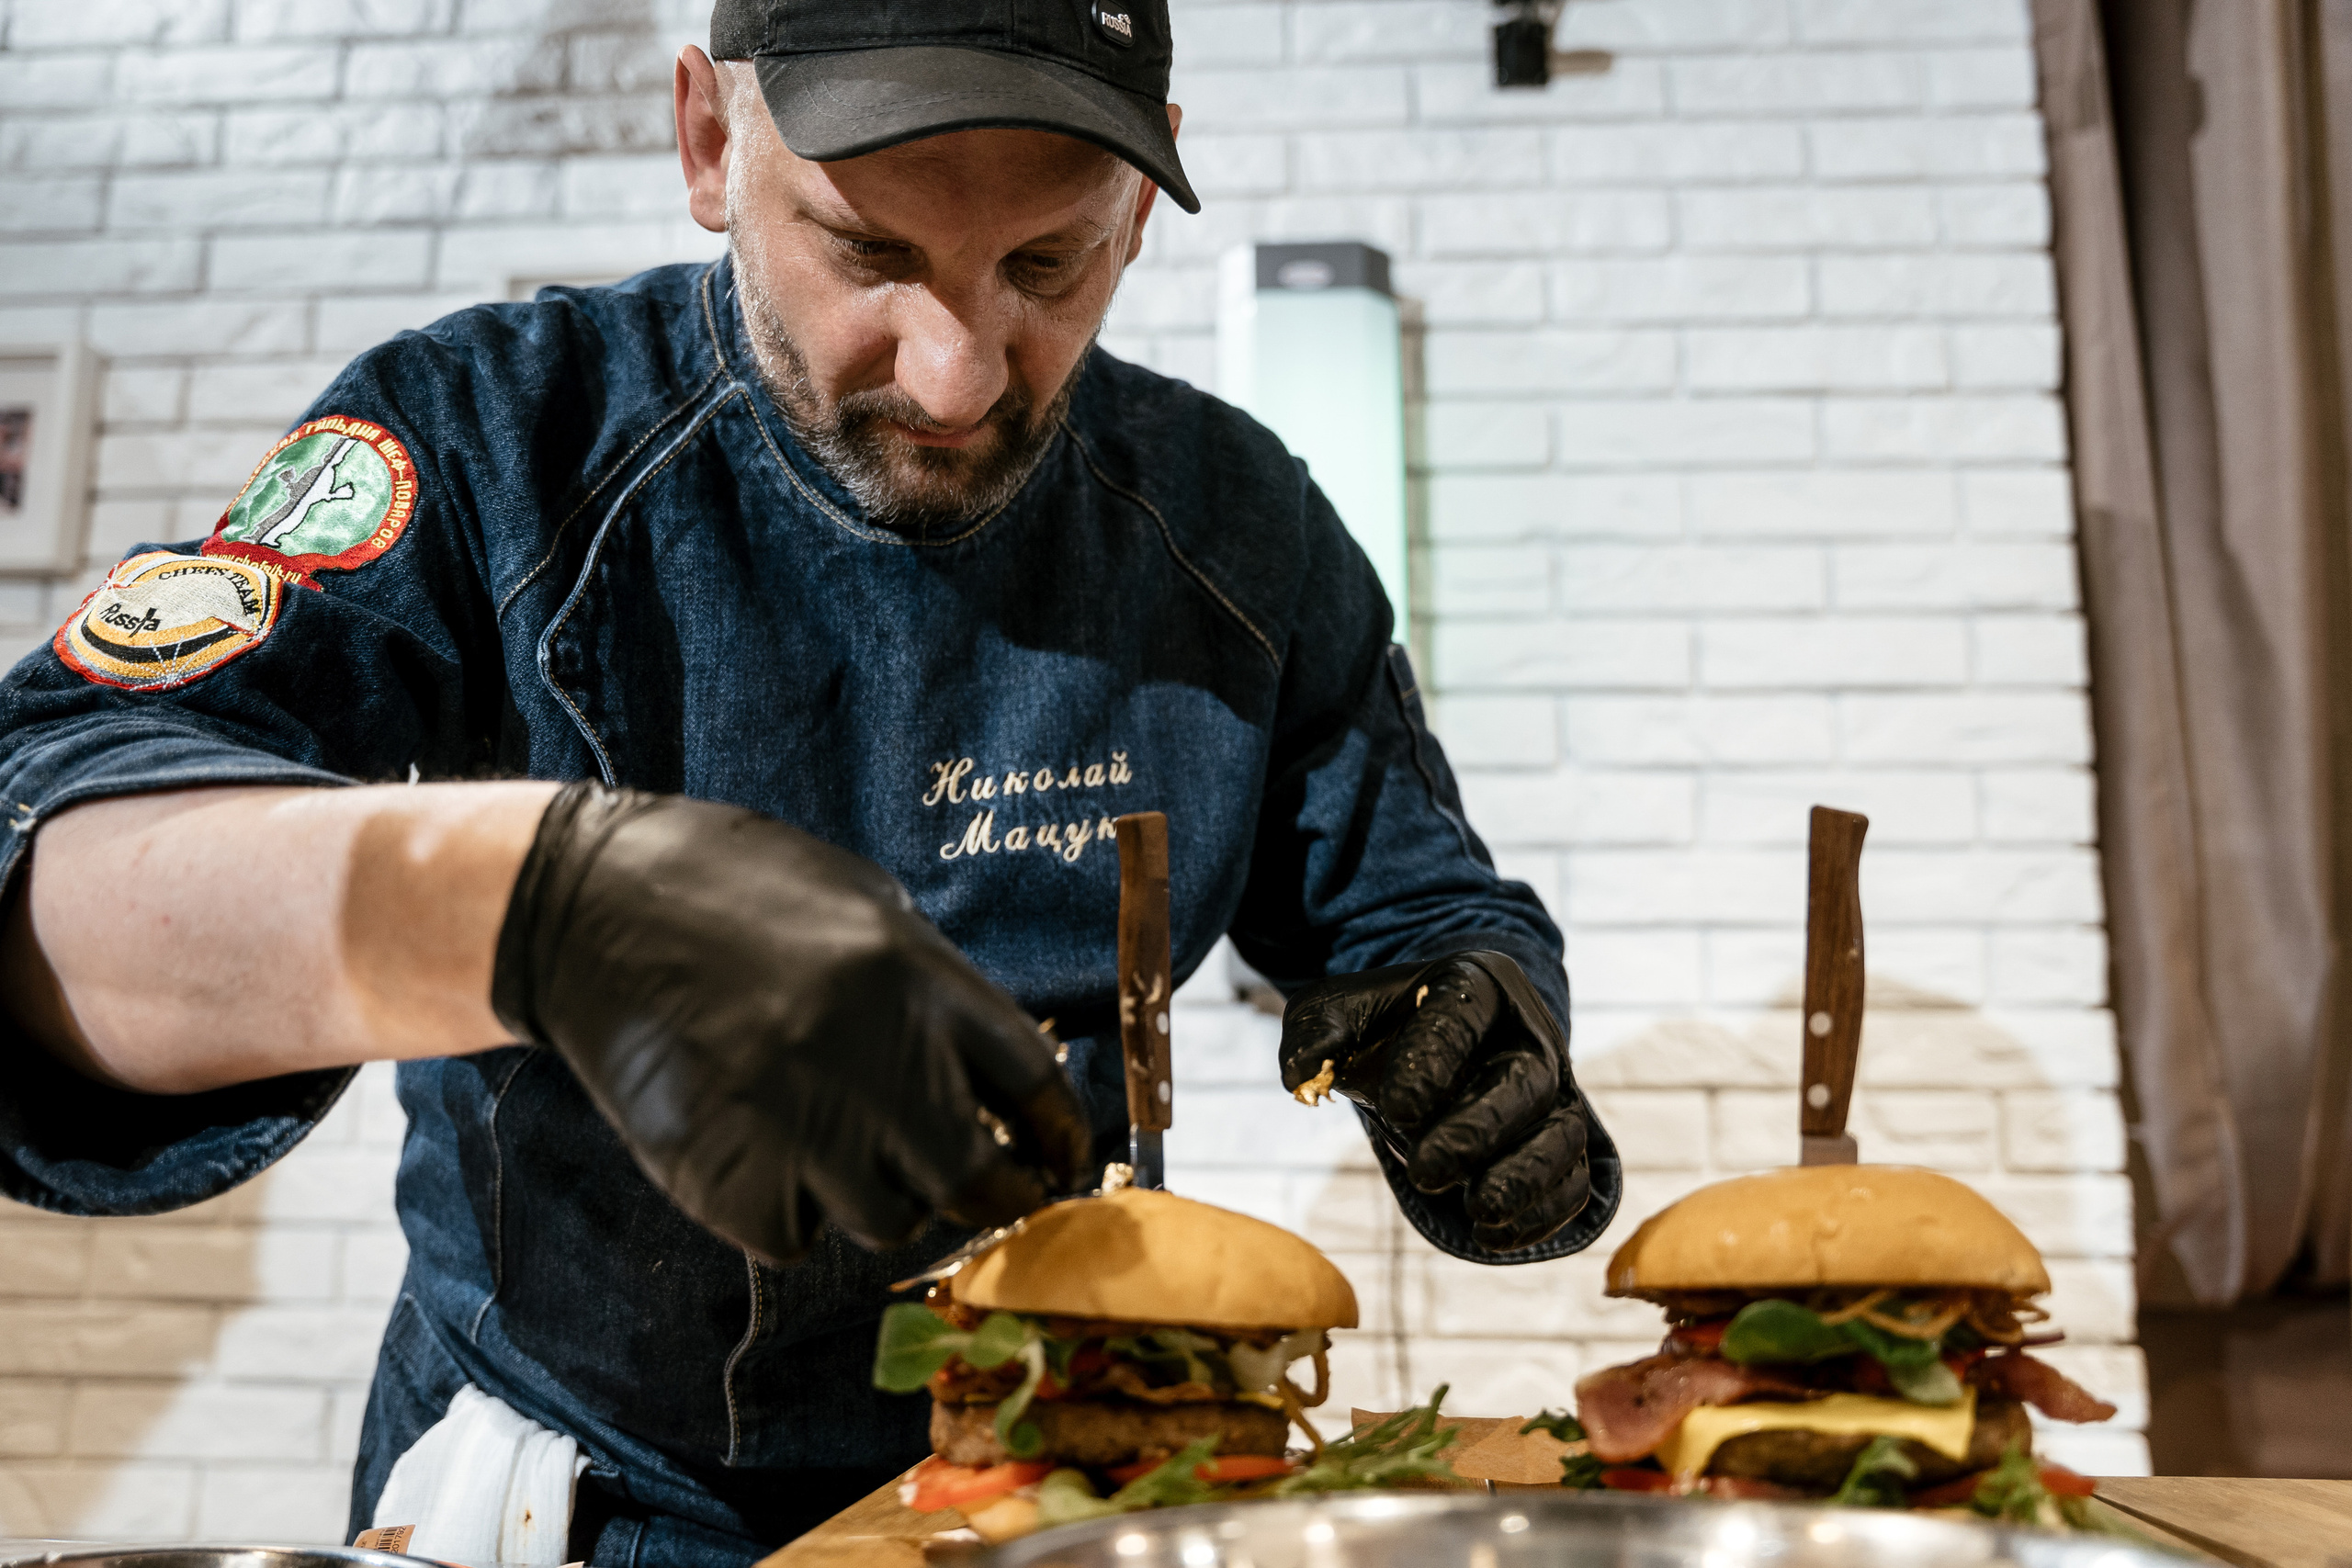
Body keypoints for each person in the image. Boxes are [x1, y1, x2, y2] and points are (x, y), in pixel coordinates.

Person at [0, 3, 1620, 1563]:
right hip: (580, 1497)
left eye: (1047, 266)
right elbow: (48, 864)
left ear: (1143, 198)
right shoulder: (491, 438)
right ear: (709, 141)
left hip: (1080, 1471)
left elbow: (1416, 907)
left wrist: (1483, 1035)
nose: (956, 374)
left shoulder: (1243, 529)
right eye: (869, 255)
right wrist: (540, 907)